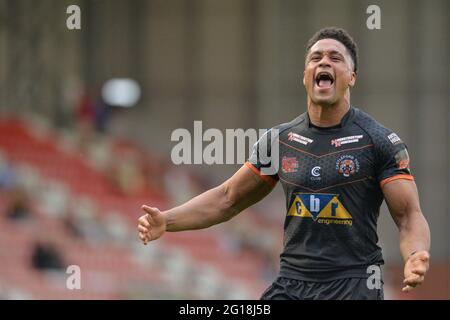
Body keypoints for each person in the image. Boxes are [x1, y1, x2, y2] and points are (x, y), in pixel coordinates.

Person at [137, 27, 430, 300]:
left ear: (352, 76)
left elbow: (408, 215)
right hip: (292, 283)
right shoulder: (279, 140)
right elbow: (228, 198)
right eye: (315, 58)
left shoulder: (378, 141)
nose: (323, 62)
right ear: (305, 75)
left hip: (354, 284)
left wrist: (415, 253)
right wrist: (168, 220)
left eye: (335, 58)